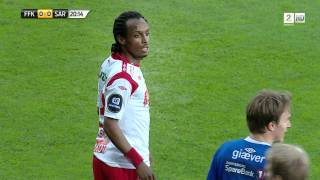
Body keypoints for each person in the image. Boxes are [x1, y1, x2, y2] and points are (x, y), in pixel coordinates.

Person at [92, 11, 155, 180]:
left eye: (147, 34)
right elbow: (110, 124)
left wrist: (143, 150)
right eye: (137, 35)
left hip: (109, 157)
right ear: (122, 39)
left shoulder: (112, 62)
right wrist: (138, 162)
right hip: (121, 165)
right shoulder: (123, 78)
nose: (145, 40)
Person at [207, 90, 292, 180]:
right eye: (286, 120)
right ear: (272, 126)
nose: (289, 125)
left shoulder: (225, 149)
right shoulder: (276, 162)